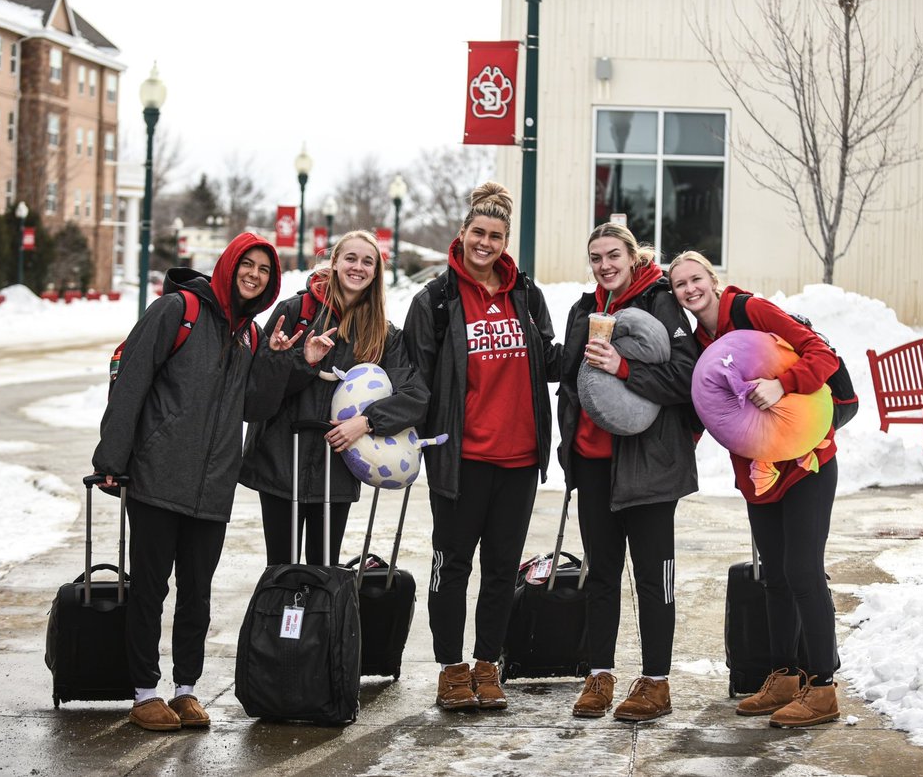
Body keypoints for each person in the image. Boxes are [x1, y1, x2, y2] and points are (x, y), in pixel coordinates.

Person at [93, 232, 283, 732]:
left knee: (197, 592)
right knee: (151, 588)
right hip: (159, 476)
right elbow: (130, 380)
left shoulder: (252, 335)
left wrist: (285, 361)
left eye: (265, 270)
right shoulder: (178, 310)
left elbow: (256, 407)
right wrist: (113, 456)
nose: (255, 275)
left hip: (213, 488)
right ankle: (144, 692)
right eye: (249, 264)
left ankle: (186, 690)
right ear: (229, 265)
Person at [404, 181, 561, 711]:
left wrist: (602, 340)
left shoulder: (525, 294)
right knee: (451, 567)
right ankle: (451, 668)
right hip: (460, 460)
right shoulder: (436, 300)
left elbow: (549, 359)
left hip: (518, 460)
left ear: (505, 239)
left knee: (501, 570)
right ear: (464, 232)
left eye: (496, 235)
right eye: (479, 232)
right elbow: (417, 379)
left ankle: (488, 665)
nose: (486, 243)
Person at [668, 250, 841, 728]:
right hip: (760, 474)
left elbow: (822, 356)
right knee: (774, 577)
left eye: (696, 279)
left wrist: (783, 384)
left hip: (807, 462)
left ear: (712, 278)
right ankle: (784, 677)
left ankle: (822, 687)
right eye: (680, 284)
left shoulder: (751, 311)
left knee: (803, 571)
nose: (690, 289)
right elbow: (711, 407)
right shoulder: (700, 340)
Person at [557, 223, 698, 722]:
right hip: (594, 464)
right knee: (601, 575)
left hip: (649, 465)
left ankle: (656, 682)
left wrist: (623, 367)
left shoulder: (661, 301)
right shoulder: (585, 308)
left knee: (653, 575)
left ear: (632, 256)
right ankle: (600, 674)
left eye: (613, 255)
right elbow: (569, 374)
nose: (604, 265)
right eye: (595, 257)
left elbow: (686, 376)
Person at [240, 230, 428, 566]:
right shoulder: (295, 311)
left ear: (376, 272)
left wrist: (368, 422)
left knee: (323, 570)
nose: (358, 267)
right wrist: (300, 361)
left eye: (367, 261)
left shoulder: (384, 334)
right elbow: (256, 400)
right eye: (351, 258)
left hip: (337, 471)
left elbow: (415, 397)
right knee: (281, 570)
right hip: (283, 463)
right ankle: (281, 619)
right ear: (336, 262)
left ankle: (319, 621)